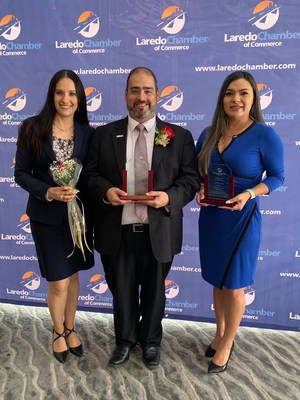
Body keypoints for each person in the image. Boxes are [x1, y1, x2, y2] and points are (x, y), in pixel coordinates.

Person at [83, 67, 200, 369]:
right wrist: (106, 190)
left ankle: (150, 341)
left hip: (158, 229)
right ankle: (124, 340)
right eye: (135, 90)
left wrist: (169, 198)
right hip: (116, 229)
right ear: (125, 95)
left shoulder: (179, 137)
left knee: (154, 292)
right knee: (121, 292)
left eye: (147, 90)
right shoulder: (104, 134)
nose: (141, 97)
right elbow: (90, 176)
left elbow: (189, 180)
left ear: (157, 95)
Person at [196, 71, 285, 374]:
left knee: (234, 286)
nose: (236, 99)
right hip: (212, 218)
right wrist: (199, 190)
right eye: (230, 93)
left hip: (242, 219)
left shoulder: (264, 134)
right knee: (218, 281)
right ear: (222, 98)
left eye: (244, 93)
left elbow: (277, 177)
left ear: (253, 99)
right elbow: (198, 174)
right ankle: (220, 333)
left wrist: (249, 193)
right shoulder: (208, 133)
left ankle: (228, 342)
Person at [14, 69, 95, 363]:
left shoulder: (88, 133)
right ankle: (58, 332)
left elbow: (92, 176)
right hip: (46, 218)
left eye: (72, 93)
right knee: (58, 280)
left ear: (79, 98)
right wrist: (49, 192)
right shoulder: (32, 128)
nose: (66, 99)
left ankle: (71, 327)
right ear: (52, 95)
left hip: (78, 218)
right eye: (60, 92)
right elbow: (20, 174)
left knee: (73, 277)